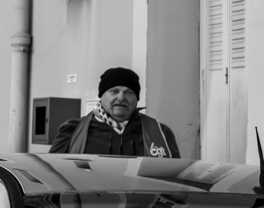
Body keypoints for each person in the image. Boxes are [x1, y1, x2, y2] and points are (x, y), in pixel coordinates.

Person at [50, 67, 180, 157]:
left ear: (136, 99)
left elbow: (174, 182)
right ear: (101, 96)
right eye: (114, 91)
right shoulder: (73, 130)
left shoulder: (161, 133)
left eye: (129, 92)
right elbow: (54, 177)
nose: (121, 98)